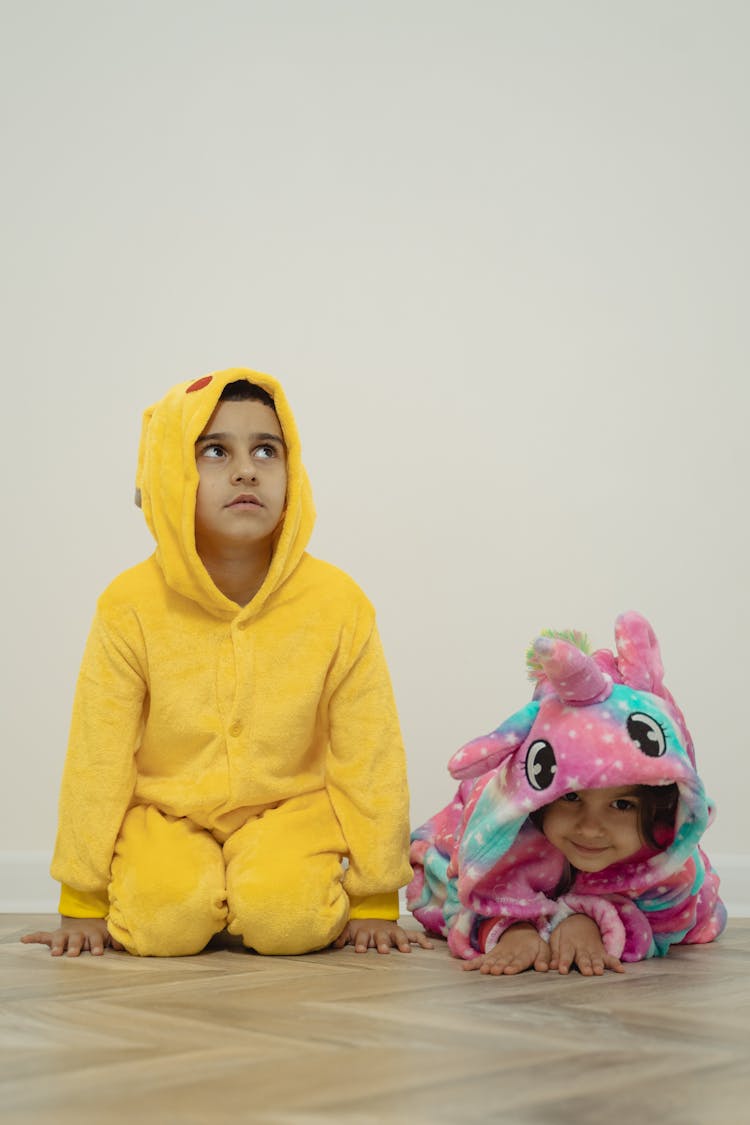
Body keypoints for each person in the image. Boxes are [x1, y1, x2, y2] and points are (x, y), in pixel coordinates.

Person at [23, 368, 429, 959]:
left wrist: (374, 897)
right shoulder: (128, 605)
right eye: (215, 451)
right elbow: (98, 752)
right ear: (170, 474)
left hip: (292, 812)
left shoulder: (340, 604)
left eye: (267, 449)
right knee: (163, 926)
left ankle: (252, 892)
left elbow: (370, 754)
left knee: (287, 921)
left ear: (293, 475)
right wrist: (81, 900)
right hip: (164, 814)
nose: (246, 469)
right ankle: (201, 892)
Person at [407, 613, 726, 975]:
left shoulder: (665, 857)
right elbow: (458, 891)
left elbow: (676, 919)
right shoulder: (508, 828)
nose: (590, 828)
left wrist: (590, 919)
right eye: (571, 798)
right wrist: (512, 927)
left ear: (663, 806)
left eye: (621, 804)